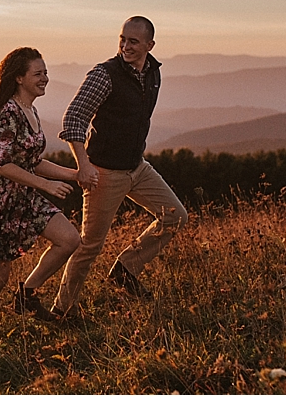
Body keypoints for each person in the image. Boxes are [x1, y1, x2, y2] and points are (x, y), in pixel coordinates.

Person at [51, 16, 188, 318]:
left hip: (137, 168)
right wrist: (83, 164)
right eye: (122, 39)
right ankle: (63, 310)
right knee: (89, 246)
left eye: (133, 41)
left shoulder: (153, 73)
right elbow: (73, 118)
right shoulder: (105, 75)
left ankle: (126, 269)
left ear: (150, 45)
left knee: (175, 216)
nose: (126, 46)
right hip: (105, 173)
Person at [0, 47, 82, 335]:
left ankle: (26, 295)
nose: (45, 78)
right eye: (38, 74)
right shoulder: (8, 114)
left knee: (69, 240)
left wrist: (75, 174)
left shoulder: (31, 110)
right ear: (19, 78)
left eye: (46, 73)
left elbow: (32, 161)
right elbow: (2, 164)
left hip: (24, 193)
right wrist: (47, 185)